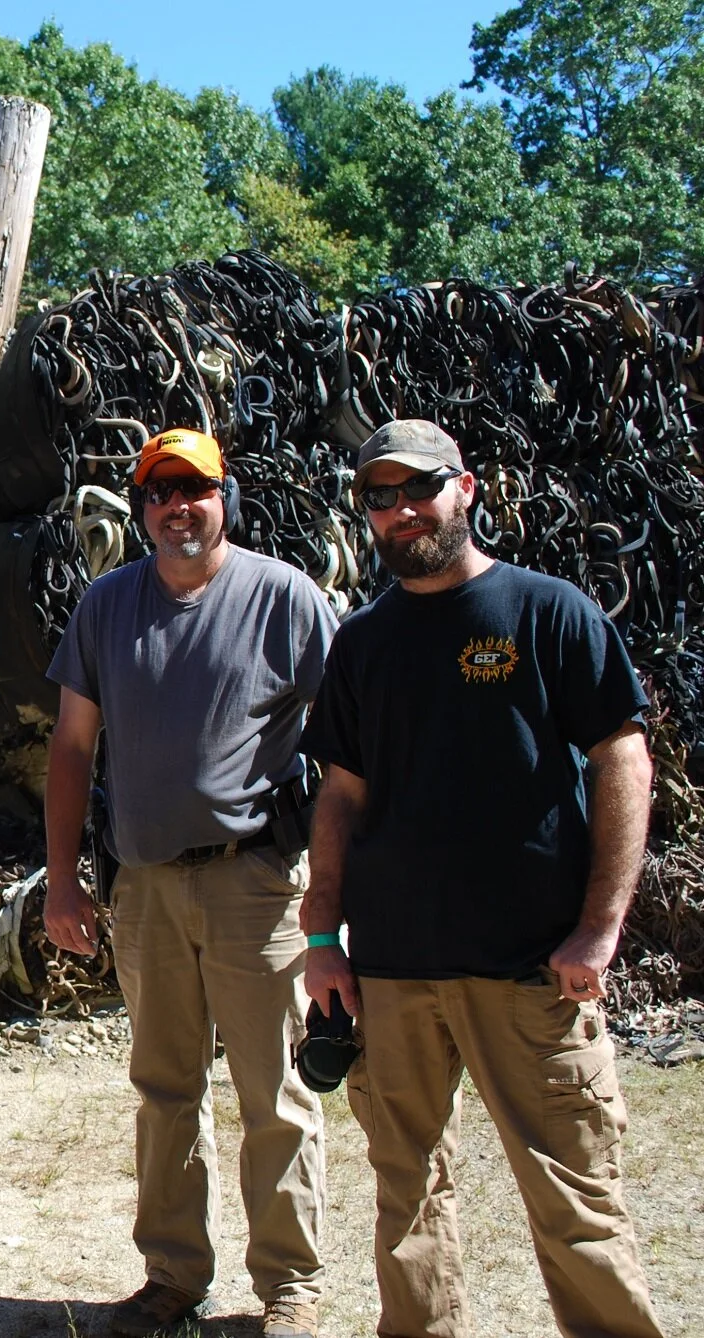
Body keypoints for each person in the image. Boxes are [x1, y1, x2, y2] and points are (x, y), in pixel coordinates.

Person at [300, 419, 666, 1338]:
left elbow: (623, 760)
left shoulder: (548, 611)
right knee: (407, 1201)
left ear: (467, 487)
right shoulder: (365, 642)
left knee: (576, 1204)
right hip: (394, 973)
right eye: (379, 498)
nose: (400, 511)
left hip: (532, 970)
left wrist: (600, 928)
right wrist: (321, 939)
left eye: (417, 487)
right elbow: (341, 797)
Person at [44, 428, 334, 1338]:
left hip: (257, 882)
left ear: (225, 498)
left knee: (275, 1094)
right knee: (165, 1089)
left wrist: (340, 888)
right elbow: (71, 748)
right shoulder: (105, 607)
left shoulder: (285, 597)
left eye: (195, 489)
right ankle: (172, 1276)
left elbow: (353, 745)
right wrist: (61, 881)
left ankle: (289, 1287)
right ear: (140, 511)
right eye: (159, 492)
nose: (178, 507)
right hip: (146, 890)